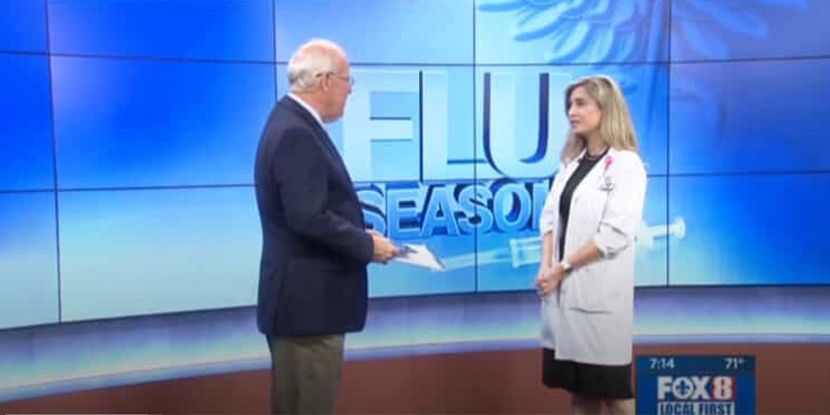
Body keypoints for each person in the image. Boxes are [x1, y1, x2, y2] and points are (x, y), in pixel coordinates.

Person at [253, 38, 400, 415]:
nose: (351, 90)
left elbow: (308, 211)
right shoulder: (295, 132)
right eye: (349, 81)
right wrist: (367, 247)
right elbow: (308, 218)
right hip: (307, 314)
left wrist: (361, 236)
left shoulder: (291, 122)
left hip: (304, 310)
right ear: (325, 81)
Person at [536, 75, 647, 415]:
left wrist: (562, 268)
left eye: (581, 103)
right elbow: (549, 218)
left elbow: (615, 233)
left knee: (614, 393)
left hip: (599, 299)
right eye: (570, 104)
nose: (572, 111)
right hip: (564, 297)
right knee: (582, 393)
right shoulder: (570, 165)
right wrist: (546, 266)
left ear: (605, 108)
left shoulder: (626, 165)